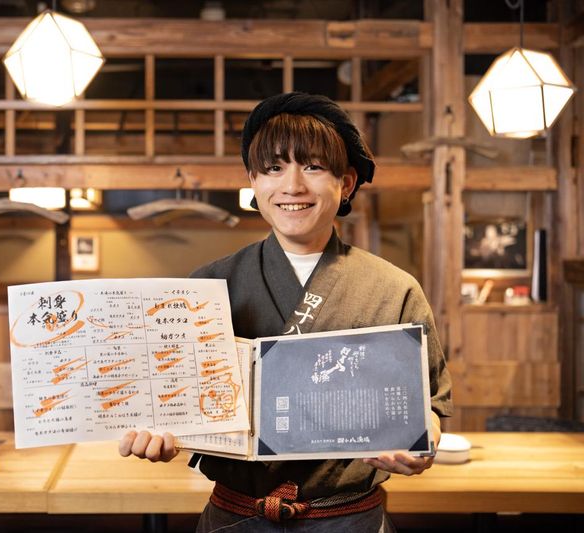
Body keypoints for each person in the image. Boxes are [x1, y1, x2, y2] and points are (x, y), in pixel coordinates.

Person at [119, 92, 453, 532]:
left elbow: (429, 406)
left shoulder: (393, 289)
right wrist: (161, 432)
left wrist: (422, 441)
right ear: (254, 181)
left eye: (312, 167)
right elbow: (171, 399)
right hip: (235, 518)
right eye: (274, 168)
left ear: (346, 183)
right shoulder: (206, 287)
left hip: (347, 519)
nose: (292, 186)